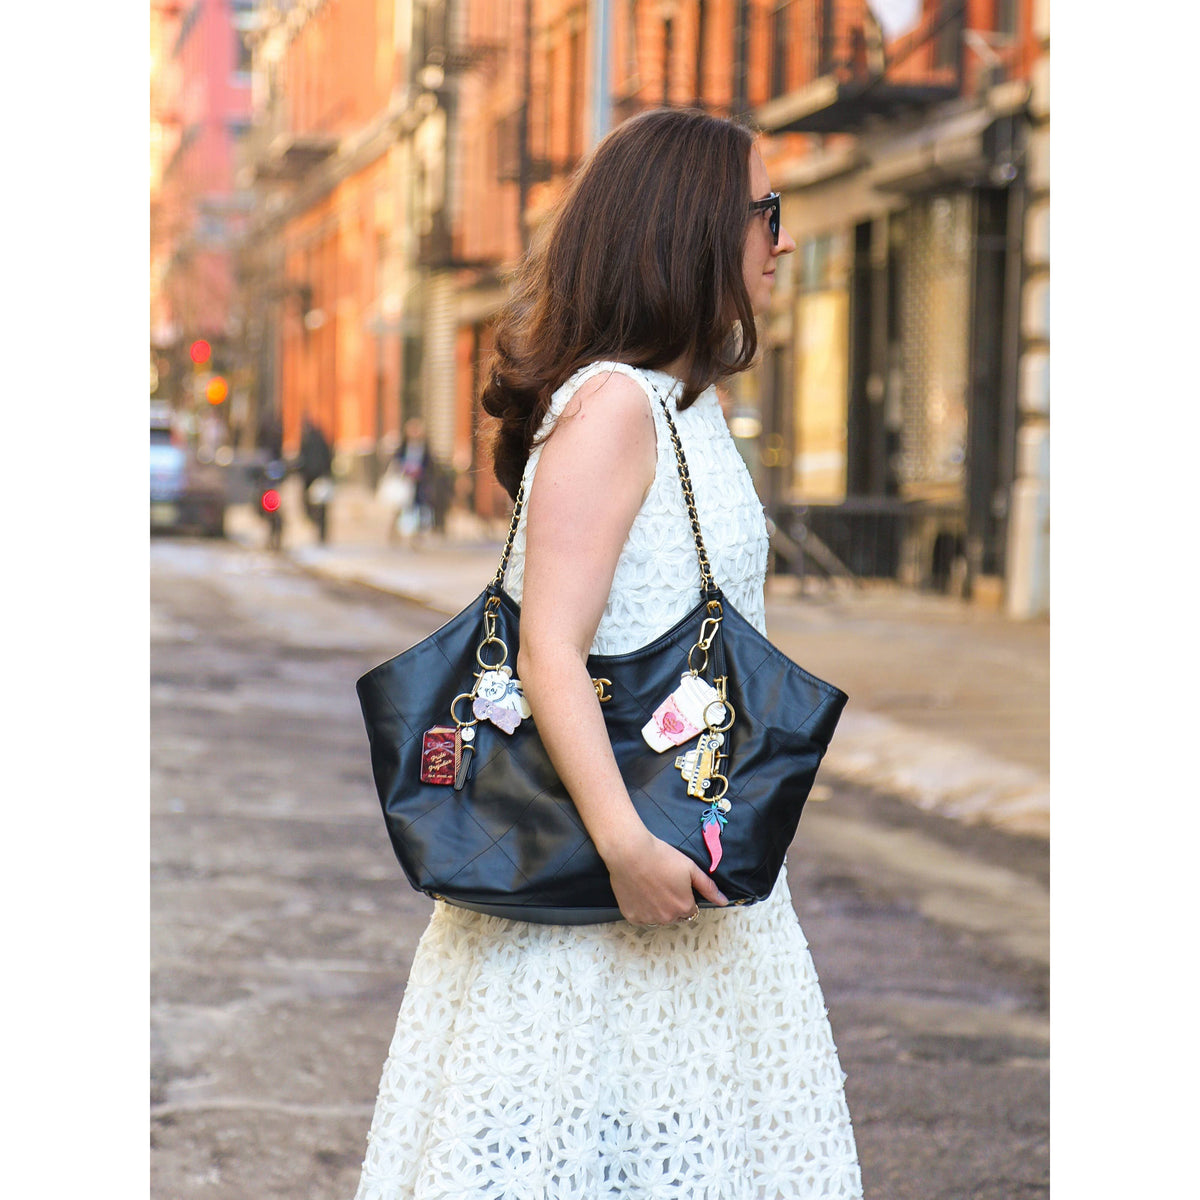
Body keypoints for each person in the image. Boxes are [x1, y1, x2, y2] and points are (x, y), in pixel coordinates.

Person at [352, 108, 863, 1199]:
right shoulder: (616, 407)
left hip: (688, 870)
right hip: (604, 879)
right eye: (764, 213)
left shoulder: (691, 408)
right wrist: (627, 845)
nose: (782, 240)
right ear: (690, 228)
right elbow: (549, 647)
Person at [298, 416, 333, 542]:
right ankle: (321, 530)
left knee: (312, 504)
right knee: (322, 506)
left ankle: (316, 524)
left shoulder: (307, 441)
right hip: (320, 476)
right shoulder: (322, 441)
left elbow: (302, 459)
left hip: (310, 477)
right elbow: (329, 457)